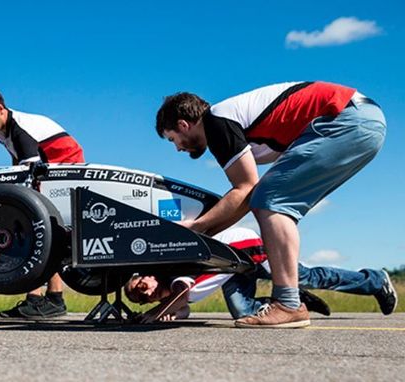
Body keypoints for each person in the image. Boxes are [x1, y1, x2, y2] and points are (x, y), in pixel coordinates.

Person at [155, 81, 387, 328]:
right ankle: (297, 299)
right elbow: (247, 197)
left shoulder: (216, 121)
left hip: (345, 118)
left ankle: (288, 304)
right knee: (267, 198)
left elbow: (246, 188)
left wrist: (198, 226)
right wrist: (207, 232)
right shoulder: (231, 126)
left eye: (173, 139)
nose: (178, 148)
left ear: (183, 125)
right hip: (362, 121)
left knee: (271, 201)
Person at [0, 84, 84, 319]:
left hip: (65, 166)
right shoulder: (3, 130)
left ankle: (50, 298)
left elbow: (27, 175)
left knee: (35, 228)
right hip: (48, 168)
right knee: (33, 225)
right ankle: (41, 298)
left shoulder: (20, 130)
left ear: (0, 109)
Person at [124, 226, 398, 323]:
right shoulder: (171, 297)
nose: (142, 290)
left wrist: (159, 312)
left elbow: (181, 294)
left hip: (243, 250)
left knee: (305, 275)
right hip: (232, 272)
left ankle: (375, 280)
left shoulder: (173, 275)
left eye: (139, 284)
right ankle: (296, 299)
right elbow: (182, 310)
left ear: (148, 275)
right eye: (138, 297)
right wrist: (163, 313)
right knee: (243, 313)